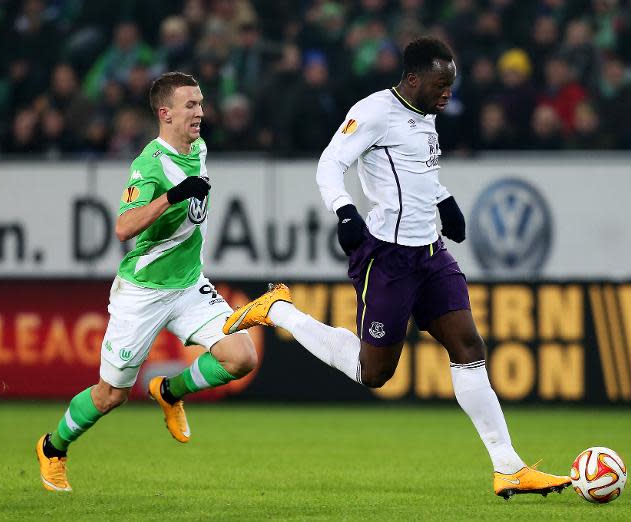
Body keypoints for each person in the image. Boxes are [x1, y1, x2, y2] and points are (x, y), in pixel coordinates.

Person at [222, 37, 571, 500]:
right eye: (441, 83)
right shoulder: (373, 112)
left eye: (452, 83)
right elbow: (330, 164)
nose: (448, 91)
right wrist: (345, 210)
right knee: (375, 373)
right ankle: (280, 310)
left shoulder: (424, 116)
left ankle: (508, 466)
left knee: (468, 345)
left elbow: (418, 170)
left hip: (431, 255)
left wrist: (444, 199)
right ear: (413, 78)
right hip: (388, 259)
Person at [36, 72, 258, 492]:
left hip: (189, 284)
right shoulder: (149, 165)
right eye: (190, 105)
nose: (200, 112)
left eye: (201, 103)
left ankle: (169, 391)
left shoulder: (199, 147)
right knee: (110, 396)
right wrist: (173, 196)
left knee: (241, 356)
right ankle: (53, 447)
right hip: (143, 292)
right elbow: (123, 227)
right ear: (165, 113)